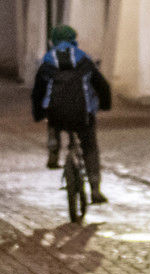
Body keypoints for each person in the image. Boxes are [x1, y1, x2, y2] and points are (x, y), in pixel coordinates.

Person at [32, 25, 112, 201]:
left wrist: (38, 113)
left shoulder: (48, 60)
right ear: (73, 39)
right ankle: (95, 189)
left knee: (52, 116)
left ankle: (53, 147)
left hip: (57, 114)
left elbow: (38, 91)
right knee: (90, 147)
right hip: (83, 114)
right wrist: (105, 105)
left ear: (53, 41)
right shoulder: (84, 59)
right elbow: (102, 85)